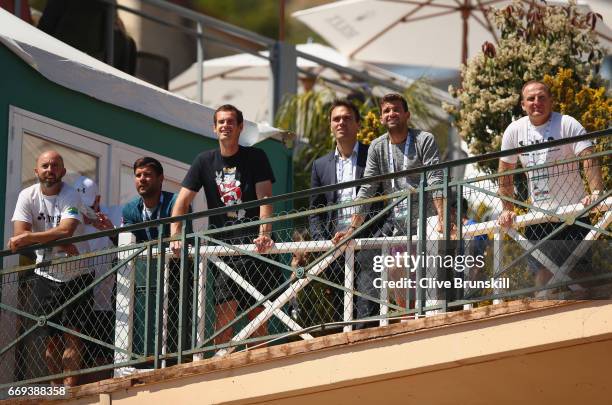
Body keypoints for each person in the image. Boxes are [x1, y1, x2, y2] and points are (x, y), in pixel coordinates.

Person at [170, 104, 277, 345]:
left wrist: (264, 235)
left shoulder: (256, 157)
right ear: (214, 128)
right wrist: (175, 236)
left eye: (230, 122)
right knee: (224, 322)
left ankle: (260, 376)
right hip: (223, 250)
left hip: (254, 249)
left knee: (257, 321)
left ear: (240, 127)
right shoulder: (204, 161)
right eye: (221, 122)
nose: (225, 126)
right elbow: (181, 202)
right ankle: (222, 376)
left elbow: (265, 198)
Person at [331, 93, 447, 317]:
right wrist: (352, 229)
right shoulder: (377, 147)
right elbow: (368, 190)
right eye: (386, 111)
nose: (391, 114)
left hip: (430, 222)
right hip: (400, 225)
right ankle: (407, 317)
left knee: (431, 281)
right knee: (395, 270)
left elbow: (435, 179)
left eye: (396, 109)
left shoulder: (424, 139)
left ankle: (433, 321)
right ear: (381, 119)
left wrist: (442, 216)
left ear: (407, 115)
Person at [497, 80, 603, 288]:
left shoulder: (567, 123)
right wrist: (507, 209)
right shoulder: (514, 130)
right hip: (539, 217)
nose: (537, 102)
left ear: (551, 101)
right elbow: (505, 173)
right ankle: (544, 319)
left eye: (542, 97)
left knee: (580, 273)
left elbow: (589, 157)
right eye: (531, 98)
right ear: (522, 104)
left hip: (574, 213)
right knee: (544, 278)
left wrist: (597, 192)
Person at [8, 151, 92, 386]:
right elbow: (18, 235)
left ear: (63, 172)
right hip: (46, 273)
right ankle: (58, 392)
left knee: (73, 338)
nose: (49, 170)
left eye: (55, 166)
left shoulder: (70, 195)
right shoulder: (27, 196)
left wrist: (33, 237)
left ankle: (69, 391)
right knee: (49, 342)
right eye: (44, 166)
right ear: (36, 171)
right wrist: (58, 240)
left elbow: (66, 231)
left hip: (79, 273)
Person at [309, 99, 384, 324]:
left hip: (368, 242)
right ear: (331, 125)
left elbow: (384, 200)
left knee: (367, 308)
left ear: (358, 124)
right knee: (341, 310)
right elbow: (315, 210)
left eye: (347, 118)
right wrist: (322, 243)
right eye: (336, 119)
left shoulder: (373, 155)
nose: (341, 122)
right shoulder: (320, 165)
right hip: (334, 247)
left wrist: (379, 235)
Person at [72, 176, 118, 372]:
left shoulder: (114, 215)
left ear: (97, 200)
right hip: (75, 299)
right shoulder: (70, 219)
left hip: (105, 302)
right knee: (74, 355)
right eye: (80, 208)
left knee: (101, 358)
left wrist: (110, 230)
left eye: (88, 208)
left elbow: (129, 248)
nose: (84, 214)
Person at [121, 157, 179, 243]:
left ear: (160, 178)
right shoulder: (129, 209)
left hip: (175, 256)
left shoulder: (177, 202)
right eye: (138, 175)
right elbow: (127, 244)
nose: (142, 179)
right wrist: (113, 233)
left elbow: (184, 238)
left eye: (147, 174)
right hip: (143, 256)